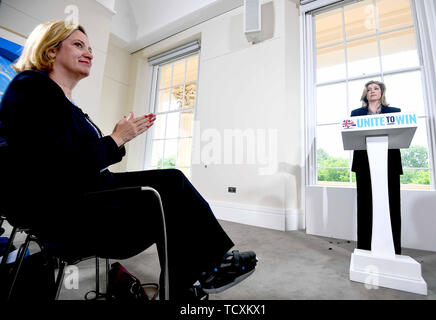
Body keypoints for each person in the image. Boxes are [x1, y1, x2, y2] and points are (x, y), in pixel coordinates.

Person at [0, 20, 257, 300]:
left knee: (171, 181)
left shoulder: (61, 100)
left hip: (83, 194)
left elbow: (76, 160)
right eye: (78, 45)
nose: (89, 53)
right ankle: (195, 278)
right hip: (61, 210)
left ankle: (190, 281)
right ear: (50, 51)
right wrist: (116, 139)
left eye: (90, 48)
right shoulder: (32, 87)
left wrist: (117, 138)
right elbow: (55, 168)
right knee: (168, 191)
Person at [350, 80, 402, 255]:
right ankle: (364, 247)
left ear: (382, 92)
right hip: (364, 165)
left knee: (392, 205)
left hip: (389, 165)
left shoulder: (395, 113)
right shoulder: (356, 114)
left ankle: (393, 248)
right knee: (364, 206)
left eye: (376, 88)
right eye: (369, 89)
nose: (372, 91)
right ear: (365, 94)